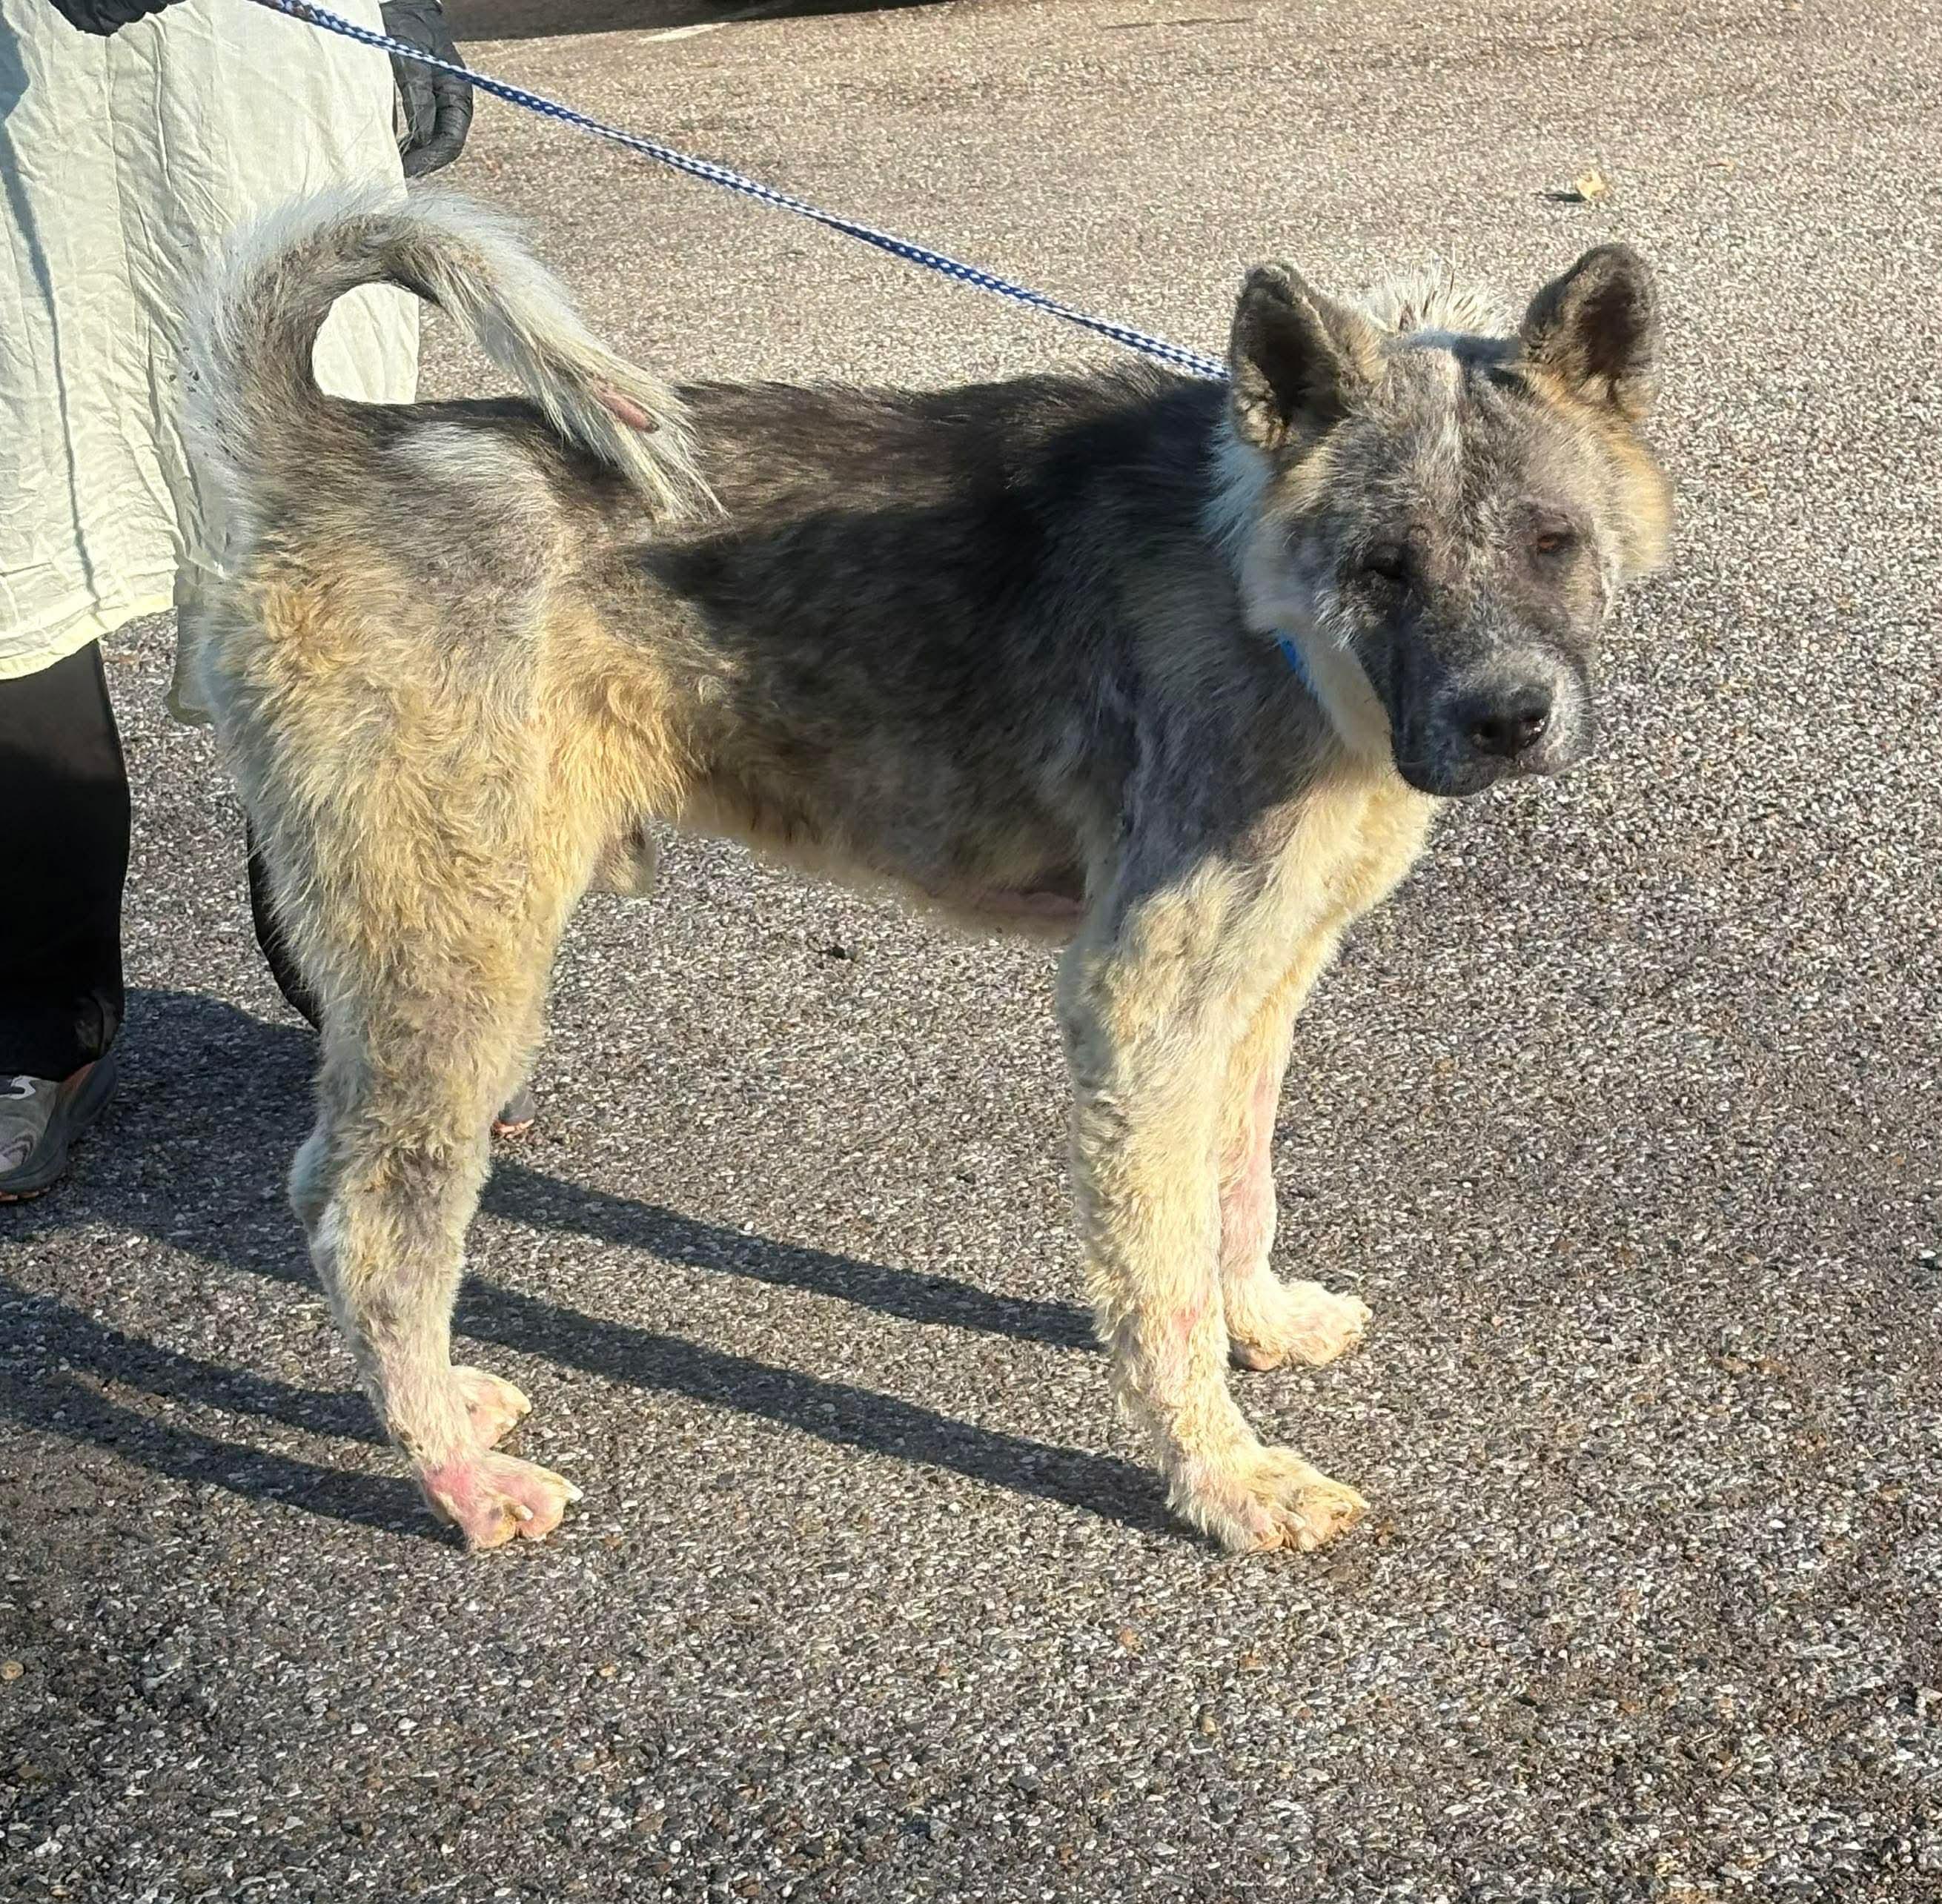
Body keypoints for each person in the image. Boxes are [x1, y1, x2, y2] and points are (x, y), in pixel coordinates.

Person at [0, 0, 484, 1199]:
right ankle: (36, 1019)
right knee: (17, 540)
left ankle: (370, 974)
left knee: (319, 530)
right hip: (19, 104)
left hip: (265, 73)